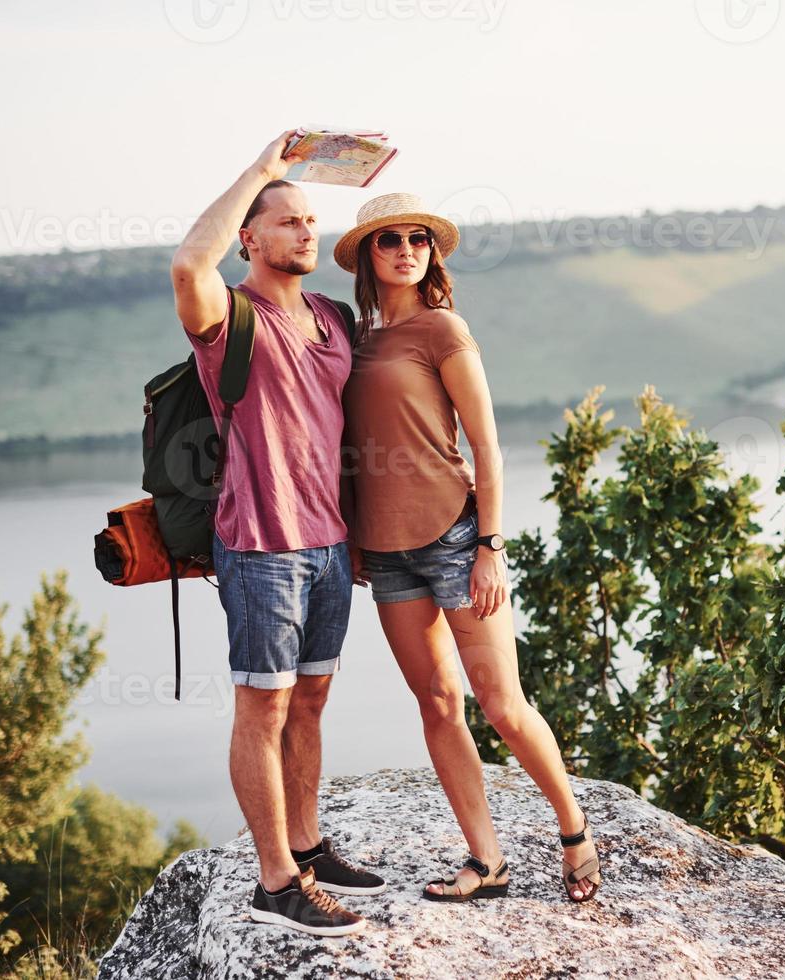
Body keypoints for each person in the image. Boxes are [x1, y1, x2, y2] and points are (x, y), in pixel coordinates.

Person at [335, 193, 603, 903]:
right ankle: (487, 861)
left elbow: (487, 446)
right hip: (387, 552)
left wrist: (490, 546)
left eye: (418, 238)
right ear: (368, 254)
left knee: (501, 703)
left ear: (431, 251)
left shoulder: (442, 330)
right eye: (388, 239)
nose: (405, 248)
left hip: (456, 533)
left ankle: (574, 829)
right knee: (436, 702)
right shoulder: (356, 340)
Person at [170, 131, 385, 937]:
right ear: (249, 239)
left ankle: (308, 843)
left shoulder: (331, 316)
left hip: (329, 545)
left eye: (310, 221)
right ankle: (275, 881)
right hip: (259, 544)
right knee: (262, 707)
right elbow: (190, 265)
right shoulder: (229, 317)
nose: (306, 233)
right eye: (287, 220)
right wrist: (262, 170)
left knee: (313, 700)